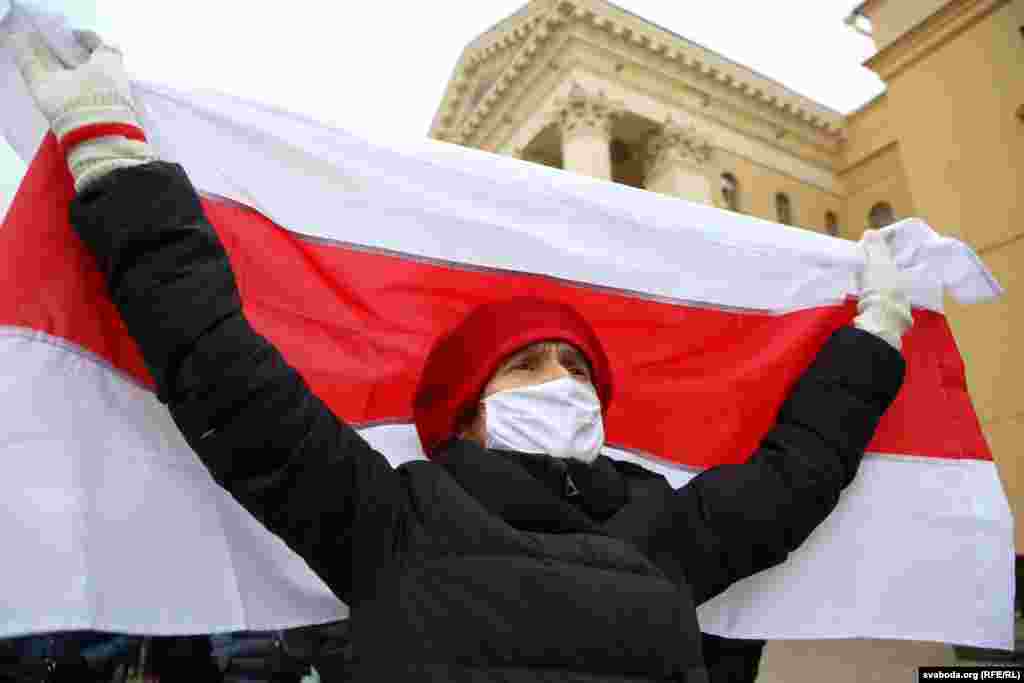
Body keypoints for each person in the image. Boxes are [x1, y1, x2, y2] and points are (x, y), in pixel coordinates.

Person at [8, 32, 913, 683]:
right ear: (472, 410)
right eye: (530, 365)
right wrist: (113, 159)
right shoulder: (392, 521)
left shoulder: (666, 531)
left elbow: (802, 469)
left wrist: (875, 333)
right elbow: (220, 367)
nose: (563, 382)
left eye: (577, 367)